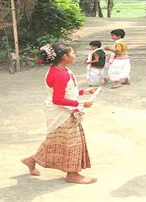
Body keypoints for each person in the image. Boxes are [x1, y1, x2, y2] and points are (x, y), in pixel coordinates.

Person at [21, 43, 98, 184]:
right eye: (72, 52)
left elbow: (66, 92)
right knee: (72, 143)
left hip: (61, 111)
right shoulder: (60, 75)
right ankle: (72, 174)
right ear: (65, 57)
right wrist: (81, 103)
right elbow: (58, 99)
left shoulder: (60, 71)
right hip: (62, 114)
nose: (74, 54)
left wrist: (84, 92)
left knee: (55, 140)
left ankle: (31, 160)